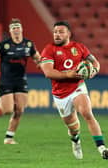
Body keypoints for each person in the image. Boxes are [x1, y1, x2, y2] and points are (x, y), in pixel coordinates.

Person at [40, 21, 108, 159]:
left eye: (60, 32)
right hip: (60, 94)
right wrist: (68, 74)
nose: (57, 35)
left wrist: (94, 70)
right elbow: (48, 72)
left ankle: (102, 148)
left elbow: (95, 62)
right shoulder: (49, 50)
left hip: (77, 87)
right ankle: (75, 140)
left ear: (69, 34)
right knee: (73, 127)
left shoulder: (80, 47)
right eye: (55, 32)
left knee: (86, 112)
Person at [0, 18, 41, 144]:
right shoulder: (3, 45)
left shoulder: (29, 44)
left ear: (21, 29)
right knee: (7, 111)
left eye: (18, 27)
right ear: (10, 31)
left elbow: (37, 57)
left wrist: (40, 64)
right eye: (13, 28)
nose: (16, 30)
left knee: (19, 110)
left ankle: (9, 138)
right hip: (6, 80)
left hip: (21, 80)